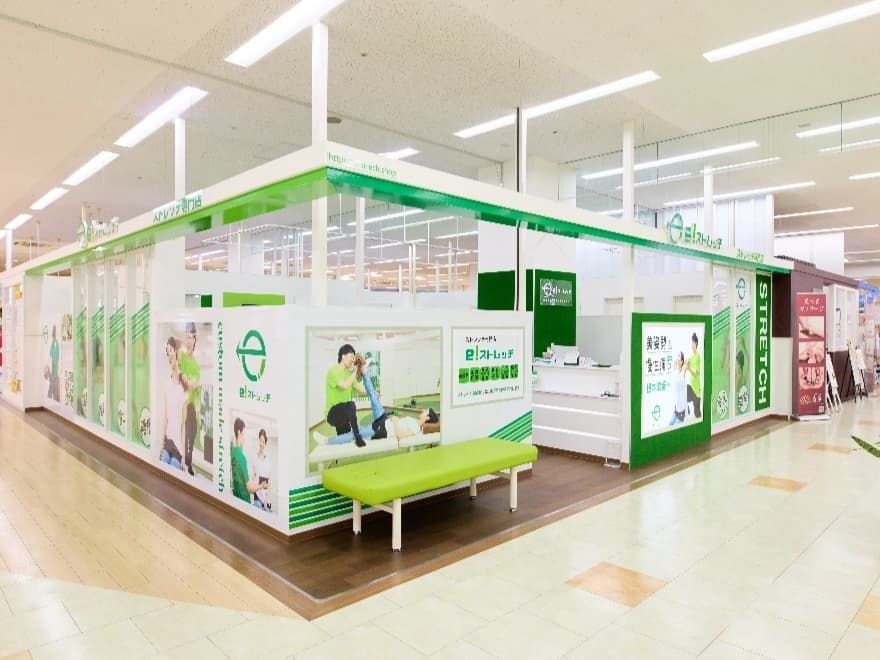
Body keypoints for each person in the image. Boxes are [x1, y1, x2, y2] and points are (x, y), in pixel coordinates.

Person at [316, 357, 439, 445]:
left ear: (427, 418)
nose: (423, 411)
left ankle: (327, 441)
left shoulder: (416, 428)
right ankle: (364, 370)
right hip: (384, 420)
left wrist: (396, 422)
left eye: (426, 411)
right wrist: (393, 420)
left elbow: (401, 436)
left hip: (381, 430)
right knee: (373, 396)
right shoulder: (414, 421)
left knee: (355, 433)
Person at [325, 344, 368, 446]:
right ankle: (358, 436)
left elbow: (361, 389)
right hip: (332, 413)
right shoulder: (333, 371)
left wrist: (373, 392)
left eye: (354, 358)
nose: (353, 360)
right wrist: (356, 371)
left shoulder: (349, 374)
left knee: (345, 439)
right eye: (351, 357)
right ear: (343, 356)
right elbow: (344, 385)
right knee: (351, 405)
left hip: (344, 415)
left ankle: (330, 444)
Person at [178, 322, 201, 476]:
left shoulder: (196, 365)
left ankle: (189, 462)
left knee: (191, 437)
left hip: (191, 406)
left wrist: (187, 381)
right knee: (182, 436)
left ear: (194, 340)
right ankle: (182, 461)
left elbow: (192, 385)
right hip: (181, 404)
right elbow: (177, 373)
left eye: (191, 337)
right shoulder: (182, 357)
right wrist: (183, 378)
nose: (188, 340)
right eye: (186, 337)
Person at [160, 337, 186, 469]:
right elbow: (165, 418)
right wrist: (161, 443)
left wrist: (184, 456)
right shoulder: (167, 384)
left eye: (171, 350)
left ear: (176, 352)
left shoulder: (184, 387)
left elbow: (184, 425)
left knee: (173, 472)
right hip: (168, 442)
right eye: (167, 352)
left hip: (178, 448)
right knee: (162, 471)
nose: (169, 354)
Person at [230, 417, 269, 505]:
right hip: (244, 502)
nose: (244, 438)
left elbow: (241, 480)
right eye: (244, 434)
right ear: (239, 432)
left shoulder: (232, 452)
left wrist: (254, 481)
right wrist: (261, 486)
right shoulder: (241, 457)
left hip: (235, 499)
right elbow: (249, 489)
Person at [252, 428, 272, 512]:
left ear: (265, 443)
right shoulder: (254, 458)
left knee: (269, 511)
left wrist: (267, 498)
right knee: (258, 509)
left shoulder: (268, 461)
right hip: (257, 496)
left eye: (263, 442)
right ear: (258, 441)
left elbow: (269, 482)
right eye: (260, 441)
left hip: (266, 497)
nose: (261, 444)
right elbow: (253, 478)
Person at [686, 332, 702, 418]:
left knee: (697, 413)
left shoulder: (698, 356)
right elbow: (686, 365)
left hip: (696, 390)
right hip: (692, 388)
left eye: (692, 343)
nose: (691, 345)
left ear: (695, 343)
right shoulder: (691, 357)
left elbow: (695, 373)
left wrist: (688, 367)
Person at [669, 352, 687, 426]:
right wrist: (676, 364)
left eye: (679, 356)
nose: (677, 357)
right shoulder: (675, 371)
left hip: (681, 413)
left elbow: (687, 362)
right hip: (676, 410)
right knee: (670, 424)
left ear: (682, 361)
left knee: (674, 426)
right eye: (677, 355)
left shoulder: (683, 372)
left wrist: (682, 364)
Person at [47, 325, 60, 402]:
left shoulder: (56, 343)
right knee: (52, 383)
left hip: (54, 369)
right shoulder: (54, 343)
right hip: (53, 369)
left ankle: (51, 397)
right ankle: (51, 397)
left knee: (52, 384)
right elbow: (51, 354)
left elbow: (52, 354)